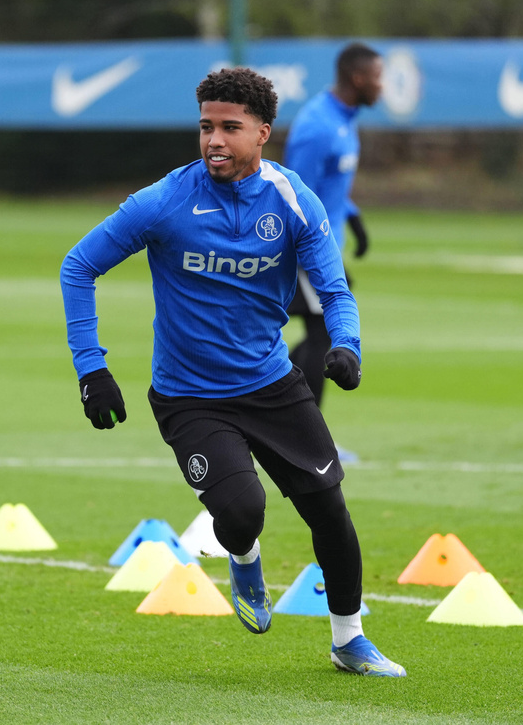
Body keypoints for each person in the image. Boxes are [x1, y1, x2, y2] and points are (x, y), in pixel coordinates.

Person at [60, 67, 404, 677]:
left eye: (229, 128)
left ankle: (349, 640)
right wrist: (92, 369)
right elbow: (78, 265)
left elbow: (334, 289)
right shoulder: (166, 200)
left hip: (272, 385)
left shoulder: (294, 199)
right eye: (205, 127)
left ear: (262, 133)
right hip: (189, 398)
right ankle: (243, 555)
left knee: (330, 511)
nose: (214, 140)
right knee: (243, 511)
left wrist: (346, 346)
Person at [283, 43, 383, 461]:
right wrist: (307, 258)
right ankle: (303, 439)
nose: (382, 85)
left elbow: (330, 187)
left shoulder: (345, 119)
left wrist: (353, 216)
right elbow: (292, 192)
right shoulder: (317, 126)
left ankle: (276, 420)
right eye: (378, 76)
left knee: (320, 335)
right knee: (325, 335)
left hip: (329, 248)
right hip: (307, 249)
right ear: (358, 78)